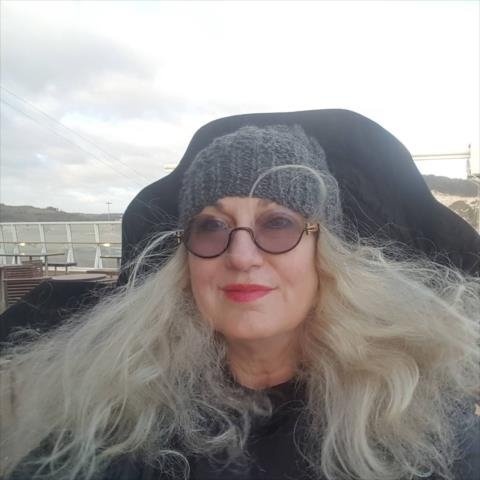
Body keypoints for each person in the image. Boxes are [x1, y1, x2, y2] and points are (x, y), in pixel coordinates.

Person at [1, 111, 479, 480]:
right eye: (211, 226)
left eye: (278, 223)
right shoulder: (115, 415)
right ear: (185, 263)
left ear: (325, 252)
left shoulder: (415, 419)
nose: (241, 255)